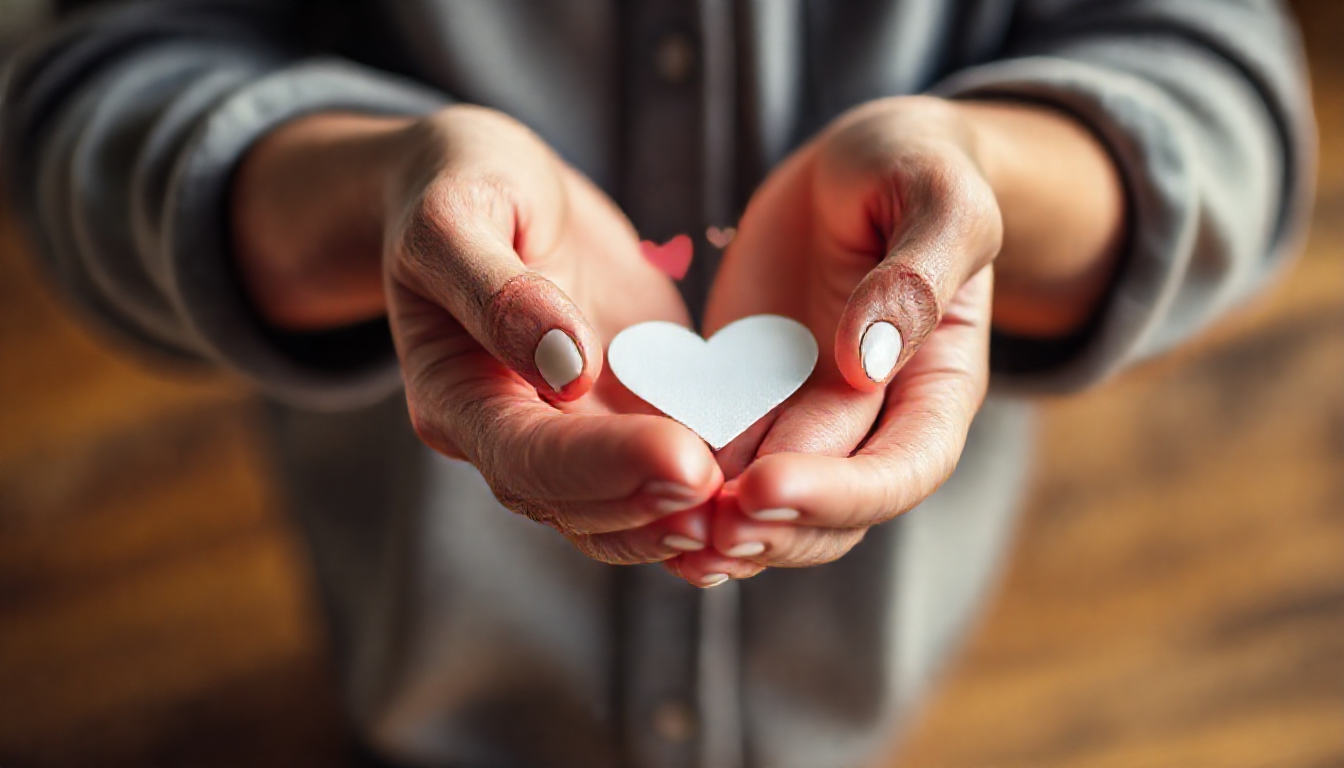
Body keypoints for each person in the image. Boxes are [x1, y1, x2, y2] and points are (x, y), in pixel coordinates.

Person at [0, 1, 1314, 766]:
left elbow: (1226, 98)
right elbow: (86, 96)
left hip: (862, 711)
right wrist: (378, 194)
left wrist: (981, 180)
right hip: (416, 696)